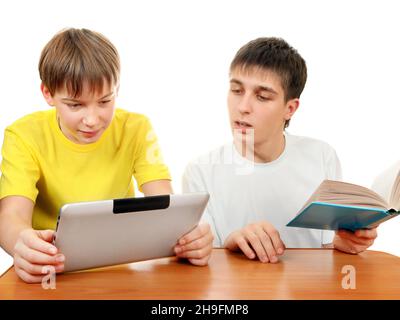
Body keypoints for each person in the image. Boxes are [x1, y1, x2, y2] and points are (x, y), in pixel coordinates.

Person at [0, 28, 213, 283]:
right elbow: (11, 216)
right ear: (48, 94)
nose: (92, 120)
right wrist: (20, 244)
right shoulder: (23, 134)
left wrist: (190, 237)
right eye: (75, 105)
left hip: (120, 268)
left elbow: (165, 203)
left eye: (104, 101)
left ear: (117, 89)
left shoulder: (136, 128)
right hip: (53, 270)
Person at [182, 37, 376, 263]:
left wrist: (344, 244)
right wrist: (232, 242)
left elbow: (325, 248)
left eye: (262, 97)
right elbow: (201, 263)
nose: (243, 107)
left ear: (290, 108)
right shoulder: (200, 171)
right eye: (236, 90)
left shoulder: (321, 156)